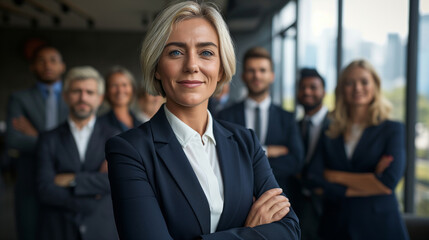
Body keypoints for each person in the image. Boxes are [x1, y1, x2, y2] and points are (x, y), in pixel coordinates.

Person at [105, 2, 300, 239]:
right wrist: (250, 232)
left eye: (206, 52)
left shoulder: (245, 142)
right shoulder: (129, 150)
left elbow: (289, 230)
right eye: (175, 52)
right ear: (157, 66)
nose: (191, 66)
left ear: (220, 68)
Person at [307, 59, 410, 240]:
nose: (357, 88)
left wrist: (335, 176)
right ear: (341, 89)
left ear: (375, 86)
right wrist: (370, 180)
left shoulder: (392, 129)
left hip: (379, 227)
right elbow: (314, 178)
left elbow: (388, 182)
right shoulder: (330, 129)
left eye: (364, 81)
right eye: (349, 82)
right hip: (335, 226)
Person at [36, 66, 118, 240]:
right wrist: (89, 196)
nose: (83, 98)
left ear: (100, 98)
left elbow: (115, 181)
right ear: (65, 96)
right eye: (76, 91)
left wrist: (72, 179)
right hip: (58, 229)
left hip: (102, 229)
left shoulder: (116, 138)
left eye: (89, 92)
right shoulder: (48, 138)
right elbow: (44, 189)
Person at [217, 47, 304, 195]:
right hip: (237, 197)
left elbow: (296, 161)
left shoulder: (287, 118)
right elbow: (223, 158)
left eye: (262, 70)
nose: (256, 75)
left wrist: (246, 162)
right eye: (251, 70)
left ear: (272, 76)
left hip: (278, 197)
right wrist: (268, 151)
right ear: (243, 76)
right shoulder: (225, 116)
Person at [5, 45, 68, 240]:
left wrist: (36, 135)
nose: (47, 64)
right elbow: (14, 139)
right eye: (41, 60)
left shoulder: (75, 97)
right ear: (32, 67)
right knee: (29, 231)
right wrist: (55, 144)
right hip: (29, 178)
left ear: (62, 66)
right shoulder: (19, 98)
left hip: (65, 177)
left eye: (53, 60)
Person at [294, 68, 329, 240]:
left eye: (313, 87)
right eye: (303, 87)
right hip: (297, 207)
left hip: (329, 207)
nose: (307, 91)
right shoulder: (294, 125)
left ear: (324, 92)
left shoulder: (337, 125)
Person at [99, 66, 141, 132]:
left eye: (124, 85)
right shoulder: (99, 124)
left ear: (133, 89)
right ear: (106, 91)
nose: (120, 90)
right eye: (114, 85)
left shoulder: (141, 124)